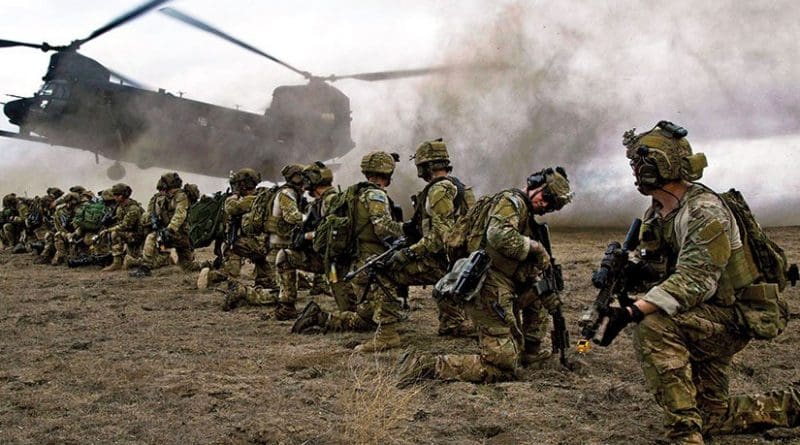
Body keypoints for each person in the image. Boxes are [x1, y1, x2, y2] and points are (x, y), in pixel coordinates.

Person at [599, 121, 799, 444]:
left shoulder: (706, 212)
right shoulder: (659, 213)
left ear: (658, 167)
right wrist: (631, 272)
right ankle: (793, 406)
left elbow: (695, 281)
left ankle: (684, 434)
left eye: (639, 165)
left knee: (651, 323)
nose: (635, 173)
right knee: (713, 417)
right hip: (708, 312)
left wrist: (633, 311)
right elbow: (664, 269)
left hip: (734, 316)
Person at [396, 166, 572, 383]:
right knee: (503, 366)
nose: (545, 205)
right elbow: (498, 236)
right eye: (546, 197)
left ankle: (530, 353)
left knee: (538, 298)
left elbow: (528, 274)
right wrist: (536, 247)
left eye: (552, 204)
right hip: (487, 286)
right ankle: (426, 366)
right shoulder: (511, 201)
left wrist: (546, 291)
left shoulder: (527, 216)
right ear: (534, 185)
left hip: (504, 285)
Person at [292, 151, 408, 353]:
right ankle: (386, 335)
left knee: (364, 317)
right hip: (373, 259)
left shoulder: (354, 194)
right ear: (387, 172)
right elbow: (382, 227)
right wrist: (407, 231)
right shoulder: (375, 194)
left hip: (358, 261)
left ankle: (320, 318)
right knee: (375, 311)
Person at [384, 138, 475, 336]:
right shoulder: (462, 188)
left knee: (383, 271)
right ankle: (453, 322)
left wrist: (409, 253)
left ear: (427, 166)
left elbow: (440, 238)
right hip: (462, 262)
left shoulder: (438, 190)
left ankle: (386, 334)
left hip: (444, 262)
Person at [221, 164, 306, 314]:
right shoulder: (266, 195)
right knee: (274, 284)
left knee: (229, 246)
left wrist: (234, 193)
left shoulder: (250, 200)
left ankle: (243, 291)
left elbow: (231, 207)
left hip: (263, 247)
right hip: (268, 247)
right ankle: (263, 279)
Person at [274, 161, 358, 312]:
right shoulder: (319, 204)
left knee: (350, 310)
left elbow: (338, 234)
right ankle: (286, 306)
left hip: (336, 264)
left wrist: (310, 236)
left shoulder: (332, 202)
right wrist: (307, 236)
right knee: (285, 256)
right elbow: (303, 236)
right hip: (326, 260)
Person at [197, 168, 264, 289]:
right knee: (235, 276)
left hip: (248, 244)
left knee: (232, 270)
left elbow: (232, 207)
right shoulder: (260, 197)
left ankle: (215, 276)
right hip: (252, 246)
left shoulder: (245, 200)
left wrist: (235, 195)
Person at [131, 172, 200, 277]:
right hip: (171, 233)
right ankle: (146, 266)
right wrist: (153, 221)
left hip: (179, 234)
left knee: (152, 238)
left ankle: (146, 267)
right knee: (186, 265)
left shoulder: (181, 197)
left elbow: (180, 215)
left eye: (165, 189)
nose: (163, 192)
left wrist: (170, 229)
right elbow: (156, 214)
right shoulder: (164, 199)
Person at [100, 183, 144, 272]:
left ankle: (117, 263)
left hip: (139, 235)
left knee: (114, 233)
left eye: (116, 195)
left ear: (122, 196)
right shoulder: (120, 207)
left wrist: (108, 230)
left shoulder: (133, 208)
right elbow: (119, 222)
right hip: (130, 234)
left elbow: (126, 225)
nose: (114, 197)